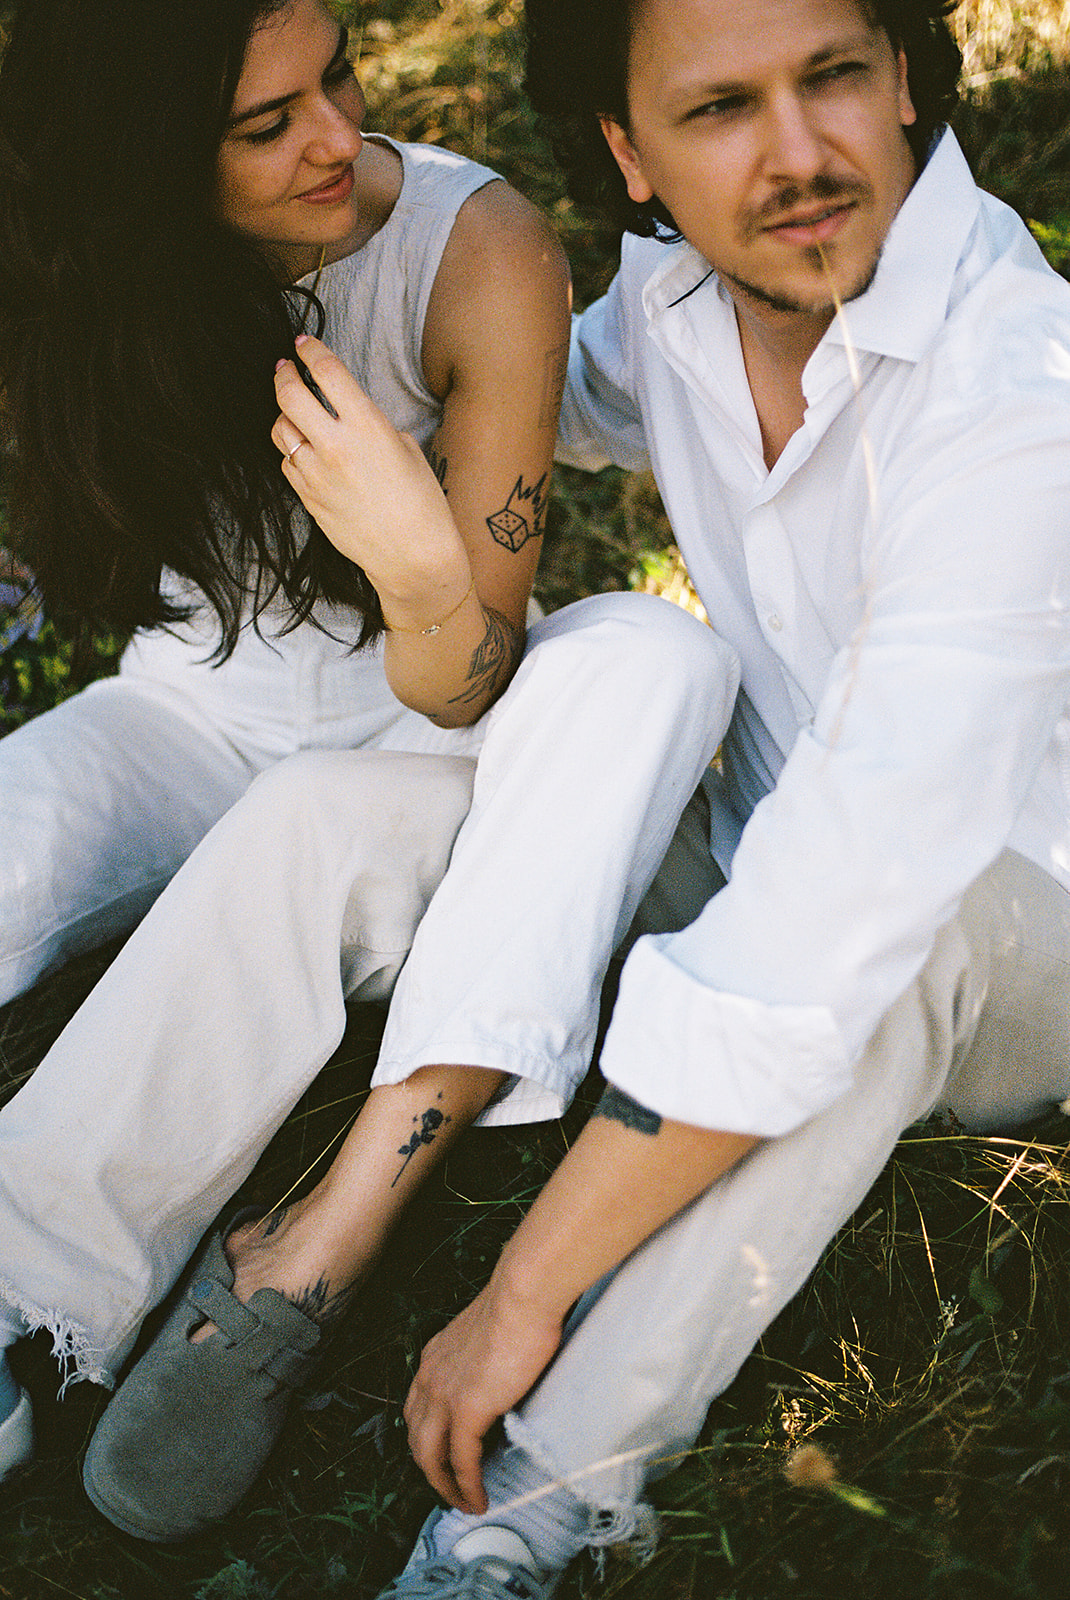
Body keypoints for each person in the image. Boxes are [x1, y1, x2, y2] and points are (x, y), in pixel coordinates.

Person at [0, 0, 731, 1541]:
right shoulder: (87, 273)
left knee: (320, 818)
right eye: (263, 125)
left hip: (432, 743)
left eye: (333, 77)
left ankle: (30, 1290)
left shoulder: (476, 253)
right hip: (186, 706)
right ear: (138, 168)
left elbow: (471, 675)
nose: (335, 135)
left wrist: (413, 570)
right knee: (25, 820)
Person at [371, 1, 1070, 1595]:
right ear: (627, 154)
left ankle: (540, 1493)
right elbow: (556, 385)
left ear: (904, 74)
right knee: (522, 736)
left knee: (896, 928)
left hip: (1022, 929)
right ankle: (198, 1253)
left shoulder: (1019, 394)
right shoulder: (673, 291)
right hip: (764, 844)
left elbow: (844, 905)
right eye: (719, 111)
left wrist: (529, 1283)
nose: (800, 157)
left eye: (833, 78)